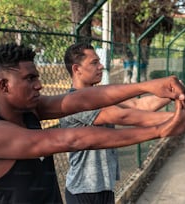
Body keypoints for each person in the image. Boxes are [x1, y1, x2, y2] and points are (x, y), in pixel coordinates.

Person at [0, 42, 185, 204]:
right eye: (29, 79)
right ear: (4, 86)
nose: (39, 85)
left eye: (37, 77)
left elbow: (83, 98)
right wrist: (160, 130)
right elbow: (74, 139)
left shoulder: (31, 112)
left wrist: (147, 86)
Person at [60, 42, 177, 204]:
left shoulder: (100, 97)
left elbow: (139, 105)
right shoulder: (73, 102)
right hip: (83, 191)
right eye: (94, 63)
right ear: (76, 69)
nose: (101, 66)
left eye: (99, 62)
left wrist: (174, 93)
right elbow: (121, 116)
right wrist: (175, 118)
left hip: (105, 188)